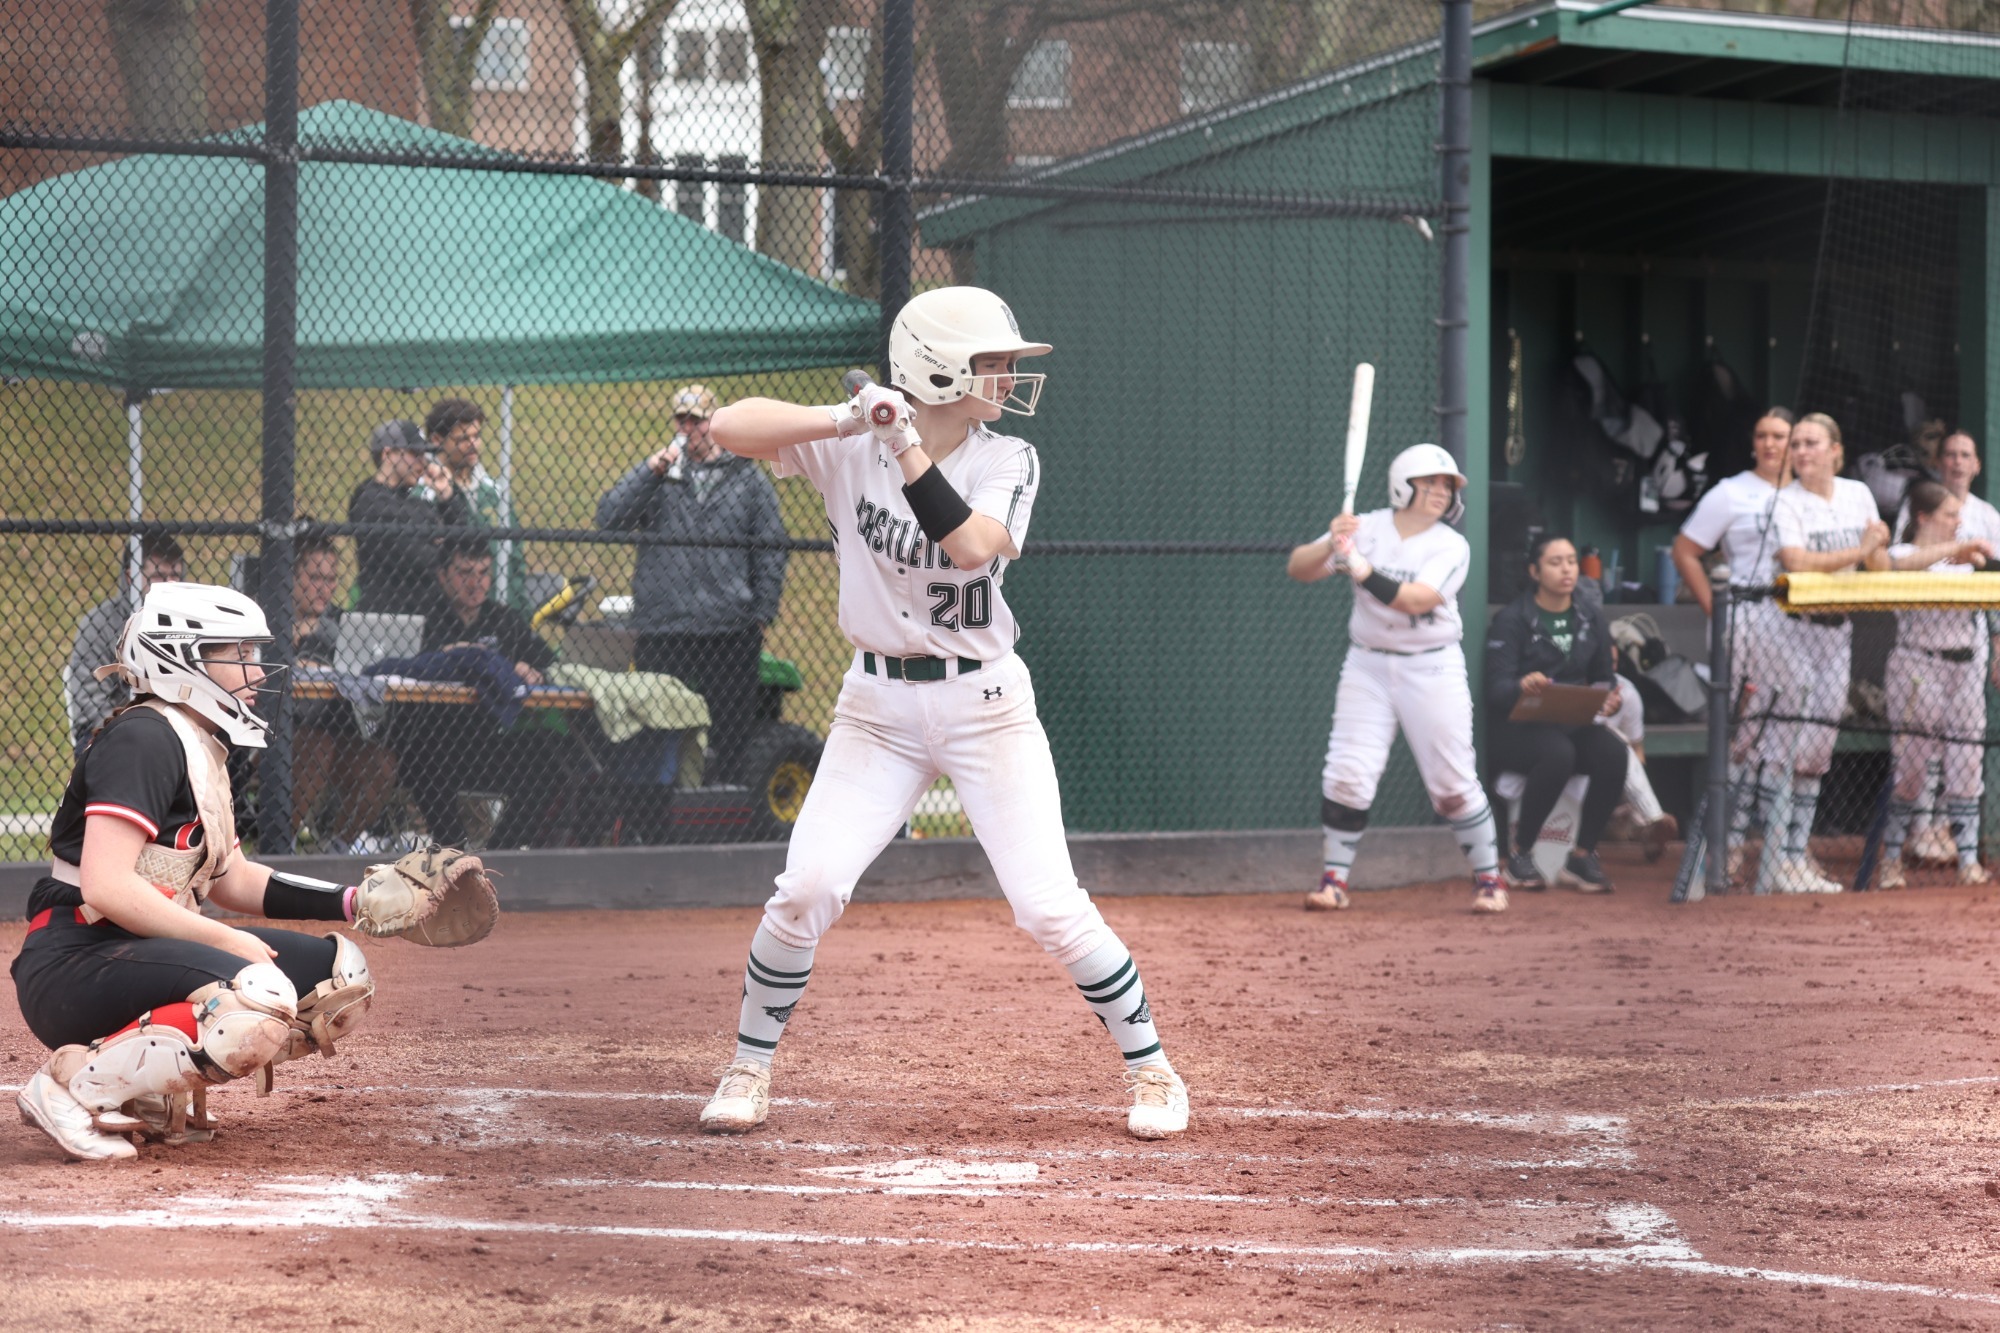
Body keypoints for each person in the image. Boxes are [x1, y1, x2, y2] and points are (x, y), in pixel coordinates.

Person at [691, 286, 1188, 1141]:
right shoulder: (850, 445)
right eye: (991, 361)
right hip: (875, 708)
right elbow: (729, 426)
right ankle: (748, 1065)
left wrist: (909, 448)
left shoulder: (1010, 459)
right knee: (805, 888)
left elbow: (969, 545)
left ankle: (1154, 1071)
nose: (1006, 376)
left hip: (984, 703)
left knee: (1048, 906)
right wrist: (848, 418)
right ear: (937, 368)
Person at [12, 582, 379, 1161]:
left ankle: (142, 1086)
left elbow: (232, 879)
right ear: (180, 656)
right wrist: (226, 938)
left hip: (133, 951)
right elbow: (106, 886)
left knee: (340, 976)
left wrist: (357, 901)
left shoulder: (192, 739)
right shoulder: (144, 738)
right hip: (76, 958)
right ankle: (71, 1088)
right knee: (255, 995)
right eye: (239, 654)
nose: (256, 671)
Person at [1285, 443, 1507, 914]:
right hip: (1368, 663)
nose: (1441, 493)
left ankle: (1489, 879)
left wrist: (1360, 568)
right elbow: (1298, 569)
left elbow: (1416, 599)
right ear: (1403, 485)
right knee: (1348, 772)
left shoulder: (1451, 544)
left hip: (1431, 665)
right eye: (1431, 483)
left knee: (1451, 784)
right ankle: (1334, 881)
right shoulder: (1367, 528)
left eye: (1447, 486)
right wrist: (1332, 542)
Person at [596, 383, 788, 782]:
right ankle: (654, 816)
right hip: (666, 626)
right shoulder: (659, 478)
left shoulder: (746, 479)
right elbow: (609, 518)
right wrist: (649, 471)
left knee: (731, 728)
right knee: (656, 727)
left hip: (729, 628)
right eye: (681, 420)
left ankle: (728, 811)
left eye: (697, 421)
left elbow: (772, 547)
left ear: (713, 423)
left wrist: (762, 614)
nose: (687, 429)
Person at [1764, 411, 1890, 893]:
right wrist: (1859, 551)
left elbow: (1878, 566)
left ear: (1836, 450)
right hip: (1791, 630)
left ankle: (1794, 858)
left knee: (1817, 751)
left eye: (1811, 443)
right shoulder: (1785, 500)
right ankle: (1775, 857)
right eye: (1796, 444)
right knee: (1786, 746)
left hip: (1839, 634)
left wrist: (1873, 547)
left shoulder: (1857, 493)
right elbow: (1796, 561)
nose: (1800, 452)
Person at [1671, 408, 1793, 875]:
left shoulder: (1806, 494)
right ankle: (1730, 844)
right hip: (1744, 621)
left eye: (1780, 436)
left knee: (1785, 734)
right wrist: (1715, 608)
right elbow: (1686, 550)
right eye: (1762, 435)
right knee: (1743, 734)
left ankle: (1780, 849)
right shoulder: (1731, 492)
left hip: (1797, 627)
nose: (1770, 444)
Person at [390, 537, 562, 848]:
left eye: (483, 572)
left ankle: (500, 852)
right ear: (443, 575)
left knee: (548, 755)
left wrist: (528, 667)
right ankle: (454, 847)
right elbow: (397, 668)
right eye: (465, 572)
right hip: (432, 739)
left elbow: (548, 661)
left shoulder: (503, 619)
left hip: (484, 741)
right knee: (422, 753)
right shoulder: (421, 616)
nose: (475, 582)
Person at [1484, 535, 1628, 893]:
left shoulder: (1589, 614)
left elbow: (1603, 678)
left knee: (1613, 753)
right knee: (1557, 753)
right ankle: (1519, 856)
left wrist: (1610, 699)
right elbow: (1496, 689)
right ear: (1534, 571)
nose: (1566, 569)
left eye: (1571, 561)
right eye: (1554, 562)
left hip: (1571, 722)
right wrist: (1523, 684)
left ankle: (1581, 857)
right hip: (1517, 729)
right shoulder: (1512, 619)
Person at [1877, 480, 1997, 887]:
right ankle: (1891, 858)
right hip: (1916, 664)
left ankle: (1967, 861)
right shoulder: (1901, 551)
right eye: (1949, 514)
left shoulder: (1968, 560)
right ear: (1924, 517)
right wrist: (1954, 551)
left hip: (1964, 667)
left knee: (1965, 766)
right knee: (1910, 769)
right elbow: (1898, 566)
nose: (1957, 521)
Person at [280, 530, 398, 854]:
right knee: (317, 747)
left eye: (331, 579)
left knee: (382, 764)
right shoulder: (268, 618)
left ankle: (335, 848)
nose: (325, 588)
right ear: (291, 575)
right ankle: (278, 846)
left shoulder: (343, 626)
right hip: (276, 736)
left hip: (333, 732)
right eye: (315, 577)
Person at [65, 533, 185, 750]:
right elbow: (91, 696)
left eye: (175, 576)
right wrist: (127, 731)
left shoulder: (187, 623)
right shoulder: (99, 624)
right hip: (106, 730)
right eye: (159, 576)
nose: (170, 585)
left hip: (173, 731)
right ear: (131, 578)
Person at [415, 398, 527, 610]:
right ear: (437, 440)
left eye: (476, 436)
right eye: (463, 439)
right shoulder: (423, 496)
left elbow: (515, 560)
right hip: (444, 617)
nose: (473, 444)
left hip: (499, 613)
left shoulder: (496, 493)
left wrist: (520, 609)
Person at [349, 419, 470, 614]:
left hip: (429, 615)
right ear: (388, 454)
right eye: (414, 454)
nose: (422, 462)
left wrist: (446, 494)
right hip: (385, 615)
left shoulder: (414, 499)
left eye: (424, 454)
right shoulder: (368, 498)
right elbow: (418, 558)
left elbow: (464, 541)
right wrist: (437, 535)